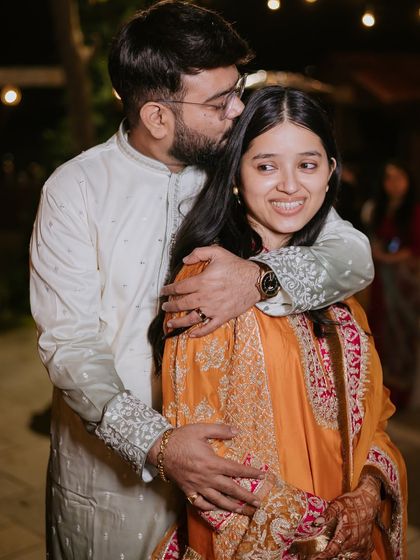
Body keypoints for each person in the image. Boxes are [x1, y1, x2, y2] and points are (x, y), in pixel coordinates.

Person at [29, 3, 374, 558]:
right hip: (115, 480)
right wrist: (159, 444)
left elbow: (354, 254)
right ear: (158, 117)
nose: (239, 109)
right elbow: (69, 346)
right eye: (219, 102)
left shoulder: (238, 169)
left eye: (237, 89)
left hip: (236, 478)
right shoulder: (76, 191)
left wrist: (259, 278)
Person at [150, 86, 407, 560]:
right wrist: (321, 527)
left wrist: (369, 494)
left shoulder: (330, 284)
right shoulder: (209, 285)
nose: (290, 185)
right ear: (235, 176)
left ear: (331, 173)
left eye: (307, 165)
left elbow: (378, 413)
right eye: (266, 166)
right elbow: (207, 468)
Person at [362, 160, 420, 409]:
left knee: (403, 334)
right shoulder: (377, 209)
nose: (393, 184)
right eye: (389, 178)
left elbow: (415, 248)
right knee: (380, 329)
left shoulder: (415, 210)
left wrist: (389, 258)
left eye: (399, 178)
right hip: (381, 281)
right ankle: (380, 392)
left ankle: (402, 395)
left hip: (406, 284)